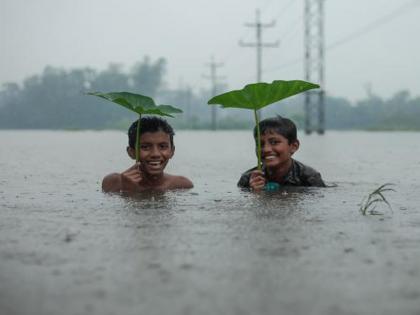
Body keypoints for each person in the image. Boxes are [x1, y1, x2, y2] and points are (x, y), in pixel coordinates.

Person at [102, 116, 193, 193]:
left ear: (172, 151)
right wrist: (127, 191)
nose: (155, 154)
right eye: (145, 147)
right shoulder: (114, 182)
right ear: (131, 152)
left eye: (162, 146)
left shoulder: (181, 185)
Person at [237, 115, 326, 191]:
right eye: (260, 144)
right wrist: (255, 193)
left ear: (294, 146)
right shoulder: (248, 179)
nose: (266, 149)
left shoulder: (309, 178)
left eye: (274, 142)